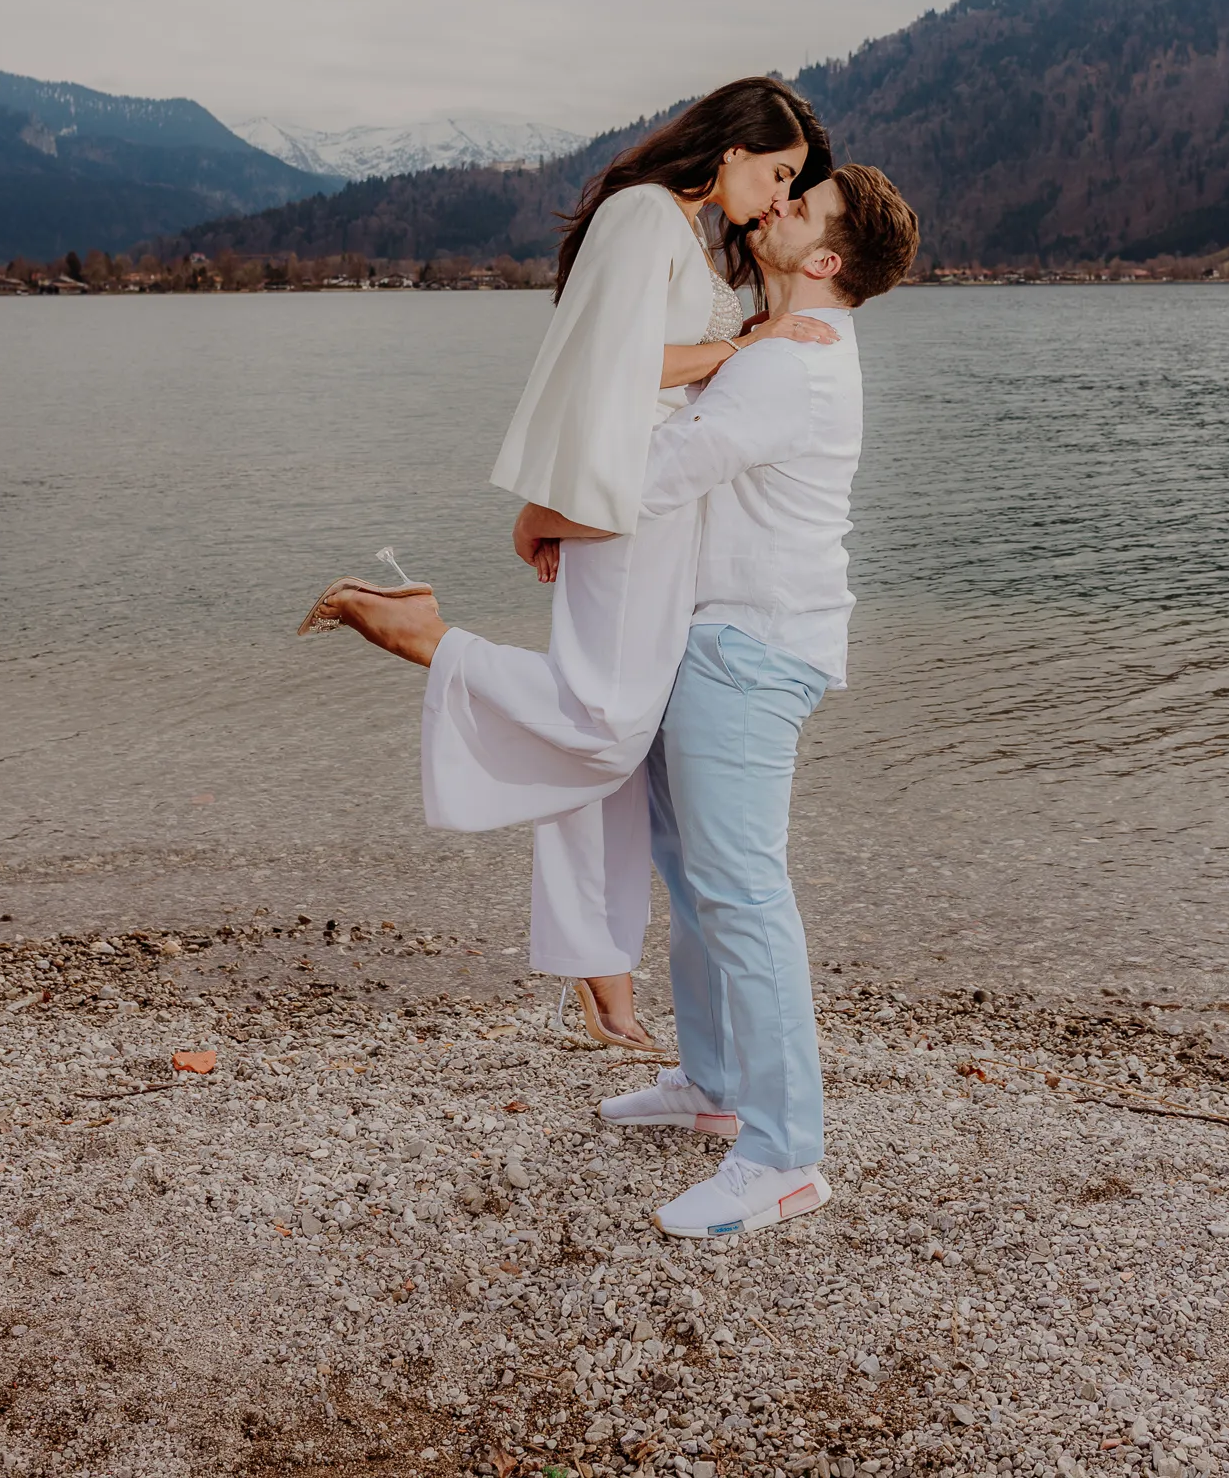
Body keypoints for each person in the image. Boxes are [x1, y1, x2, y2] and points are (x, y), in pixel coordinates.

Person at [299, 76, 835, 1051]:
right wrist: (745, 347)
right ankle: (427, 635)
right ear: (731, 152)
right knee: (602, 725)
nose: (776, 195)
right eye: (777, 172)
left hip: (651, 506)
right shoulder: (644, 216)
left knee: (614, 758)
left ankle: (607, 988)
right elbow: (618, 368)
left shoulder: (677, 224)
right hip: (632, 500)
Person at [531, 163, 920, 1235]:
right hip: (718, 640)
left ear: (827, 261)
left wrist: (542, 517)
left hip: (750, 649)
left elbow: (657, 473)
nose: (778, 207)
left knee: (743, 893)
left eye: (805, 207)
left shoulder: (794, 363)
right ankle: (712, 1087)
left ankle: (785, 1154)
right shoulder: (773, 344)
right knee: (695, 876)